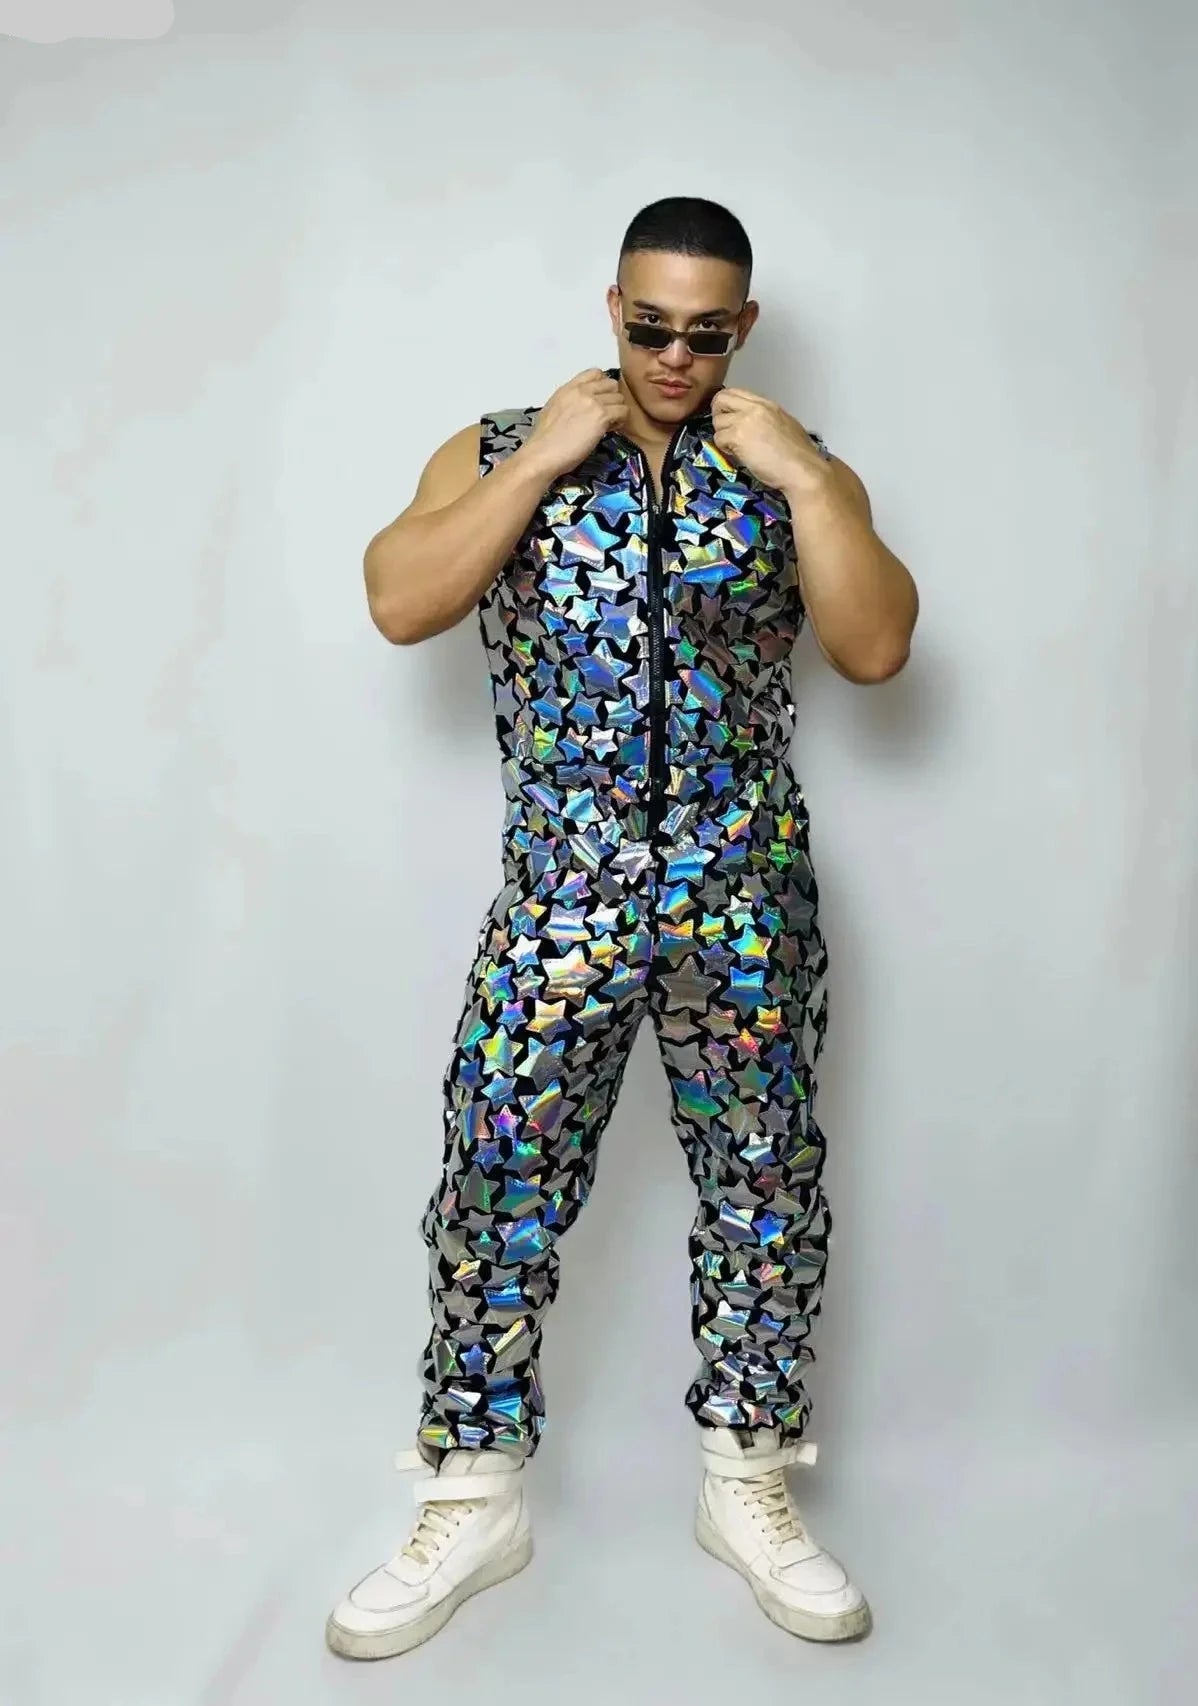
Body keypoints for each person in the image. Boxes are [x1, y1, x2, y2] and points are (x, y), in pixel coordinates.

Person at [326, 196, 918, 1660]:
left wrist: (810, 483)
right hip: (562, 896)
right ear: (611, 308)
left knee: (765, 1192)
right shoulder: (499, 446)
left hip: (744, 895)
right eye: (650, 326)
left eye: (705, 334)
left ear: (744, 328)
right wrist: (540, 460)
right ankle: (473, 1494)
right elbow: (399, 599)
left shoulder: (790, 464)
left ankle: (748, 1479)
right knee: (495, 1183)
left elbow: (876, 646)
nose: (674, 357)